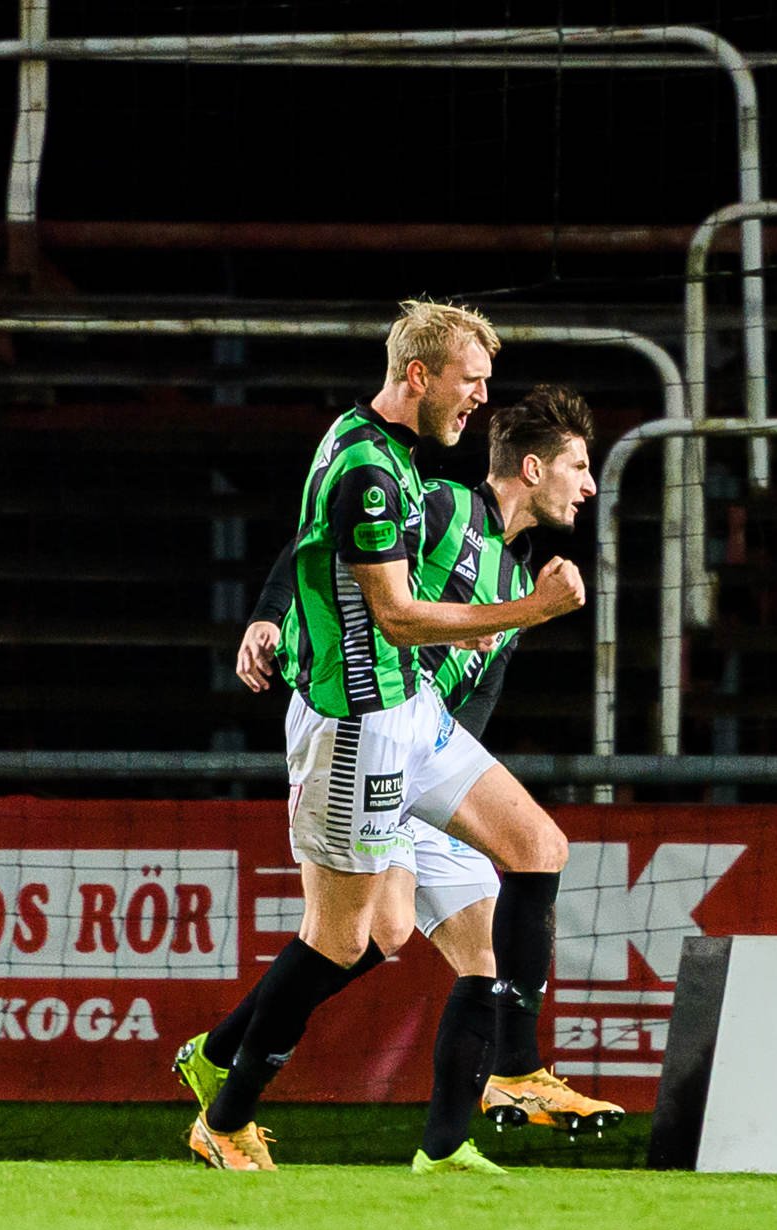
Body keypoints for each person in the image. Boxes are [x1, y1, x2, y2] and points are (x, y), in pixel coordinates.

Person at [183, 302, 593, 1172]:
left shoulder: (381, 450)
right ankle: (224, 1111)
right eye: (470, 380)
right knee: (345, 939)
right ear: (420, 376)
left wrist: (273, 616)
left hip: (415, 716)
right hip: (358, 724)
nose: (479, 398)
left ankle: (514, 1073)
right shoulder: (386, 478)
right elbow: (396, 616)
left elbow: (312, 549)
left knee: (537, 847)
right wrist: (525, 612)